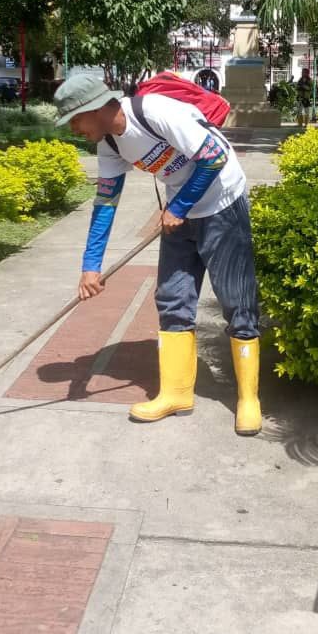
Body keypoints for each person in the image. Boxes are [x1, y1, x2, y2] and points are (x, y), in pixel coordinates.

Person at [54, 74, 261, 436]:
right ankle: (176, 393)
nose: (73, 129)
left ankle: (248, 399)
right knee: (172, 297)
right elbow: (105, 203)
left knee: (236, 299)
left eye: (75, 120)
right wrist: (91, 266)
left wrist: (179, 206)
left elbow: (214, 156)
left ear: (95, 108)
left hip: (222, 202)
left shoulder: (155, 112)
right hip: (181, 212)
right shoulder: (110, 145)